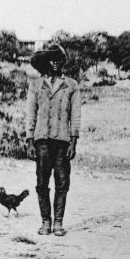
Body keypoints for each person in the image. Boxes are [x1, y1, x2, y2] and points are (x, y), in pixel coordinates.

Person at [25, 44, 81, 236]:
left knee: (62, 182)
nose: (56, 63)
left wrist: (74, 141)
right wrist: (29, 141)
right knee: (42, 183)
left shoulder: (71, 85)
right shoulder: (35, 85)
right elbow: (30, 115)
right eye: (52, 59)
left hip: (62, 141)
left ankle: (58, 222)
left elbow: (76, 115)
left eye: (59, 59)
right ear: (45, 62)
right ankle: (45, 222)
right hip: (41, 141)